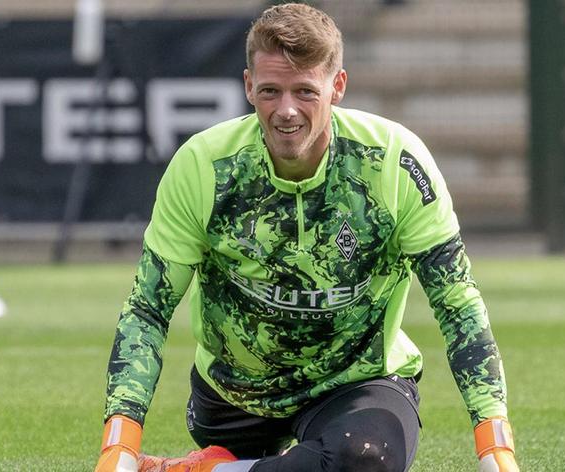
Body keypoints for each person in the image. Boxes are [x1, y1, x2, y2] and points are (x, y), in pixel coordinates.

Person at [94, 3, 519, 472]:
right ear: (248, 86)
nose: (286, 111)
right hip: (236, 397)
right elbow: (148, 308)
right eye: (270, 91)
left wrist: (494, 446)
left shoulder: (394, 163)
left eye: (305, 92)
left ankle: (211, 470)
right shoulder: (203, 167)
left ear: (338, 87)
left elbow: (457, 301)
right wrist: (119, 446)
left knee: (366, 460)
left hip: (355, 381)